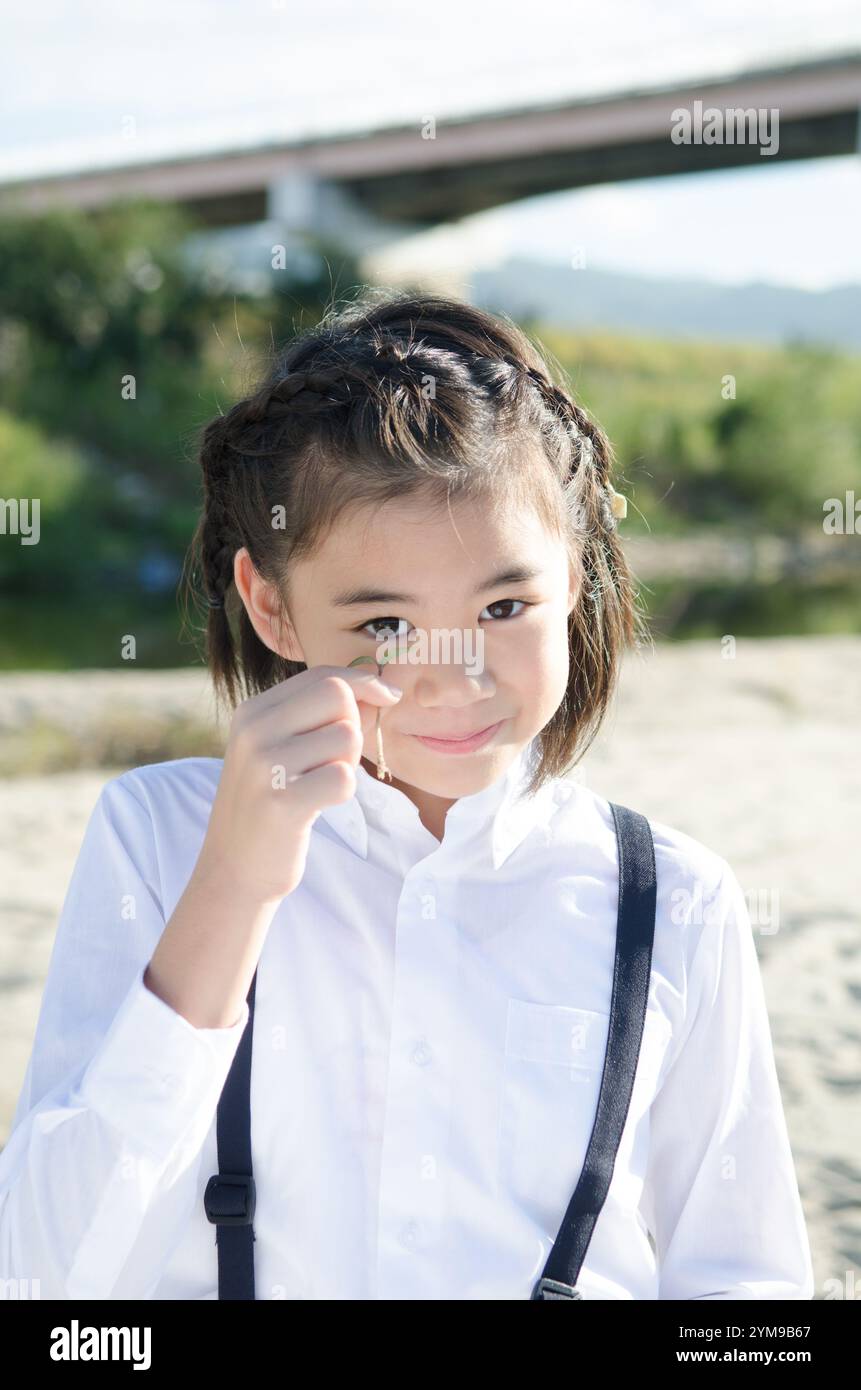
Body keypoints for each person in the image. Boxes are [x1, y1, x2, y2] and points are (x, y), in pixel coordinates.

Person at [0, 291, 814, 1300]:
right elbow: (48, 1283)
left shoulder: (676, 900)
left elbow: (746, 1290)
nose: (450, 672)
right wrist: (234, 888)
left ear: (574, 573)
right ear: (272, 606)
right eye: (384, 622)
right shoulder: (159, 839)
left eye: (503, 605)